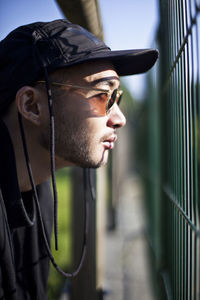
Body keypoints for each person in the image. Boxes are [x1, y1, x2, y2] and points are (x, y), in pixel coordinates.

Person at [0, 19, 158, 299]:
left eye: (116, 98)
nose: (119, 119)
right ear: (32, 105)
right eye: (102, 96)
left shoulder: (40, 193)